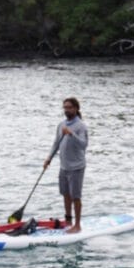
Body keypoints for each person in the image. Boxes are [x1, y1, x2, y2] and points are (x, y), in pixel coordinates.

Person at [43, 97, 88, 234]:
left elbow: (83, 145)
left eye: (69, 107)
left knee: (76, 196)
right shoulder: (61, 125)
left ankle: (77, 225)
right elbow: (56, 143)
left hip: (76, 167)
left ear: (76, 109)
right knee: (65, 194)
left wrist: (72, 134)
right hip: (64, 166)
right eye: (65, 107)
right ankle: (68, 221)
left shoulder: (81, 126)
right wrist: (49, 158)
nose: (66, 110)